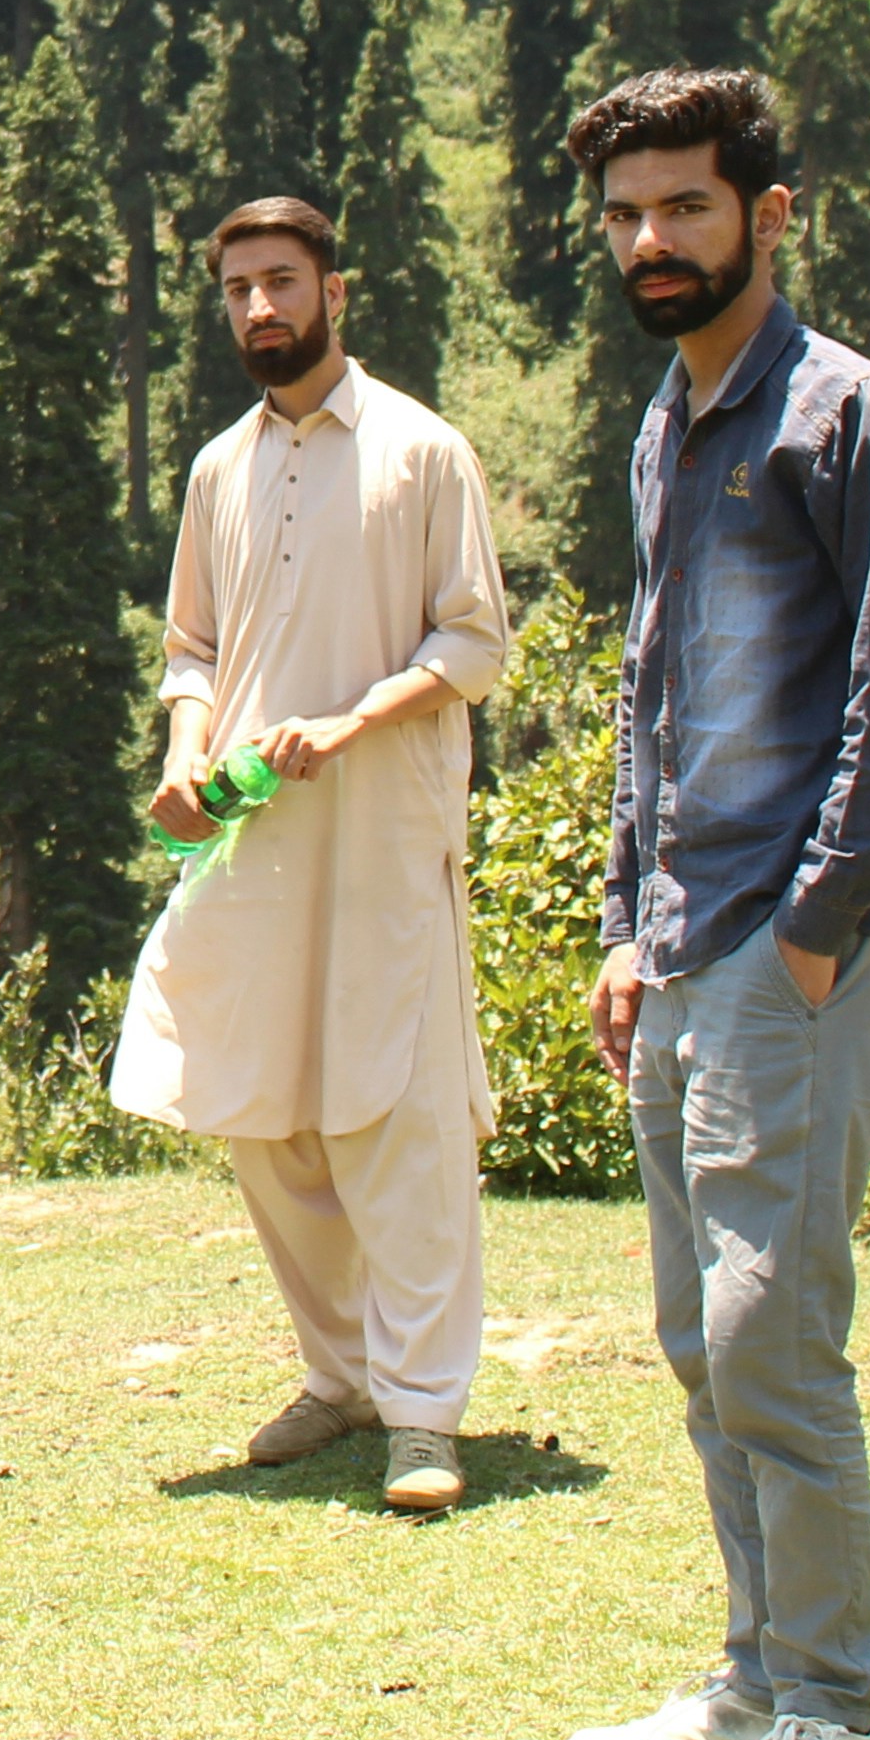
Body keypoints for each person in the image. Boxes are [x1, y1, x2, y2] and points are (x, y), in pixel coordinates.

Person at [557, 68, 870, 1740]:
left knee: (768, 1329)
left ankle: (831, 1720)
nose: (651, 241)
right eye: (627, 213)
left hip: (791, 953)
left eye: (685, 209)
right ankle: (748, 1680)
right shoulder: (668, 419)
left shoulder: (850, 420)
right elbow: (653, 698)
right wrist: (626, 920)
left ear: (765, 215)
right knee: (692, 1337)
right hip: (681, 943)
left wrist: (808, 929)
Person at [109, 198, 515, 1515]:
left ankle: (424, 1412)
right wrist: (186, 753)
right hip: (250, 838)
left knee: (398, 1114)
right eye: (237, 290)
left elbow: (474, 645)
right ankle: (338, 1377)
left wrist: (351, 721)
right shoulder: (220, 469)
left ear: (338, 287)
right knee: (263, 1111)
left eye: (281, 283)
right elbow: (195, 650)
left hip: (388, 830)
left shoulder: (422, 450)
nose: (259, 311)